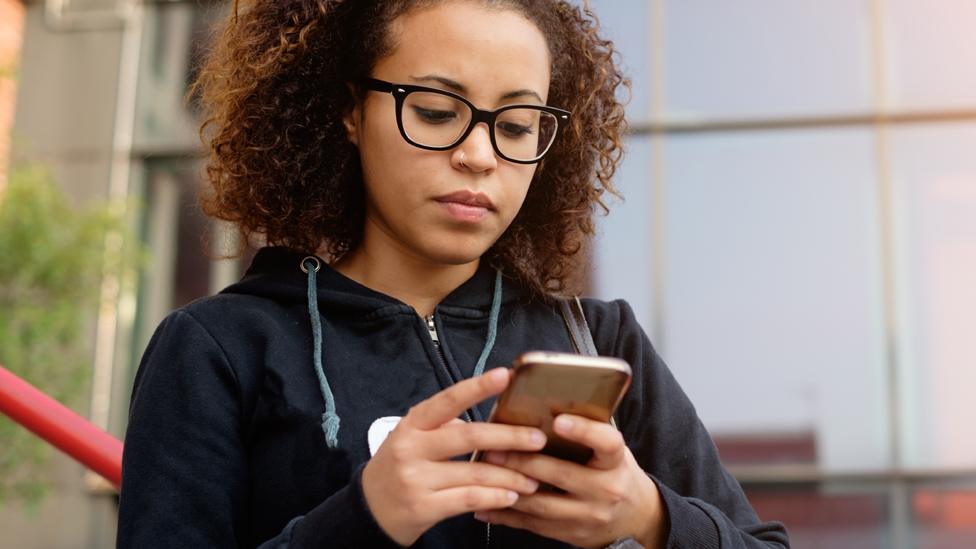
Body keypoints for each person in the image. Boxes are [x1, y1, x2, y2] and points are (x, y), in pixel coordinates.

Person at [117, 1, 790, 548]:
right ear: (352, 110)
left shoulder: (600, 339)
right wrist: (362, 517)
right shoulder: (219, 348)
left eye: (518, 125)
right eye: (437, 112)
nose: (478, 155)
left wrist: (650, 515)